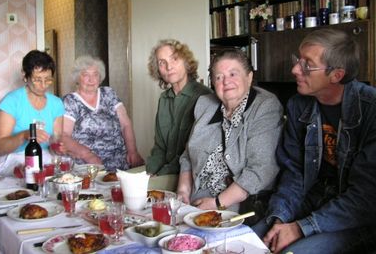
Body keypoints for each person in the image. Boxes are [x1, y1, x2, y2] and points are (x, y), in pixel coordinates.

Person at [253, 28, 376, 253]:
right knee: (249, 239)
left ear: (336, 75)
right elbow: (294, 172)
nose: (294, 69)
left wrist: (301, 228)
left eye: (307, 65)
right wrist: (281, 218)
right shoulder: (297, 105)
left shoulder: (371, 109)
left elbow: (366, 196)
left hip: (355, 216)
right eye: (297, 60)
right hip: (312, 198)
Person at [177, 49, 283, 222]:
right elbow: (187, 155)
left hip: (239, 204)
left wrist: (216, 203)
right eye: (218, 77)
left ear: (249, 77)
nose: (226, 82)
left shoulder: (265, 106)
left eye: (233, 74)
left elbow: (261, 169)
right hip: (197, 198)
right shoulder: (205, 104)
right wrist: (182, 192)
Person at [62, 55, 144, 171]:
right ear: (77, 78)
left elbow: (126, 124)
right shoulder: (70, 101)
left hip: (120, 161)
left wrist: (132, 152)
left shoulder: (109, 94)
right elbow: (64, 136)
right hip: (89, 166)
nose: (91, 80)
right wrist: (88, 155)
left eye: (95, 74)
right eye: (86, 75)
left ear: (100, 77)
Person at [146, 39, 212, 176]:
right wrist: (150, 172)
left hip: (189, 174)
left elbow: (192, 153)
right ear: (157, 69)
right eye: (162, 62)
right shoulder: (164, 99)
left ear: (186, 62)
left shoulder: (204, 97)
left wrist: (160, 176)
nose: (168, 67)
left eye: (174, 59)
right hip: (164, 171)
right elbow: (159, 147)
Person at [0, 50, 65, 176]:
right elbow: (0, 146)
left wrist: (58, 147)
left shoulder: (56, 103)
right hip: (14, 158)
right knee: (30, 175)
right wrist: (24, 135)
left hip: (45, 156)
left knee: (65, 174)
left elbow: (56, 139)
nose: (43, 85)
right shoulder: (12, 101)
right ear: (25, 76)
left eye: (48, 80)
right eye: (37, 80)